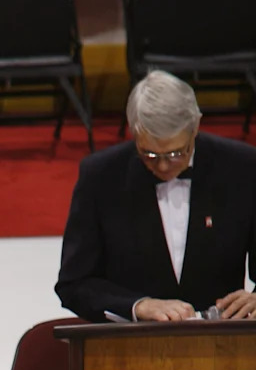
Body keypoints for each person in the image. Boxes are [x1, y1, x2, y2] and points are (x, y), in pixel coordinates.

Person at [56, 70, 256, 323]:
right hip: (129, 347)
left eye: (176, 153)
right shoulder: (101, 177)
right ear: (133, 133)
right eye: (149, 154)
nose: (163, 167)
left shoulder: (243, 168)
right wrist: (138, 306)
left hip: (222, 346)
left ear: (195, 128)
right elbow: (74, 284)